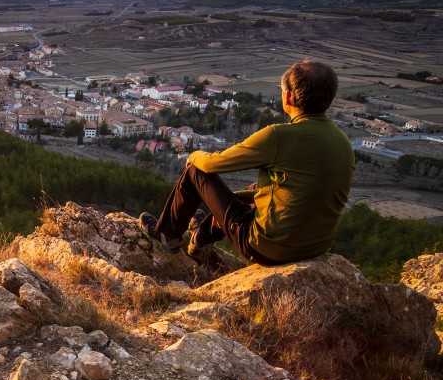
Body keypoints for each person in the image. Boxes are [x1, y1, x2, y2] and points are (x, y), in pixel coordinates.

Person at [139, 60, 354, 265]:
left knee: (197, 172)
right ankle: (201, 237)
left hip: (266, 248)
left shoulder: (279, 136)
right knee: (259, 188)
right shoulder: (343, 142)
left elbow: (214, 164)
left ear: (288, 97)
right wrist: (223, 204)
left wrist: (193, 156)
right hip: (315, 247)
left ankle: (168, 235)